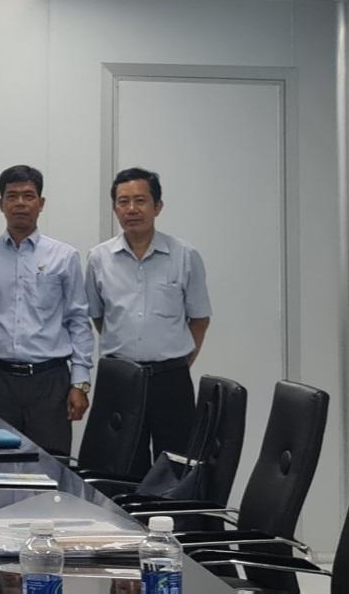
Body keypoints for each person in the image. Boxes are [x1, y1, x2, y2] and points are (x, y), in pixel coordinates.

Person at [86, 167, 212, 473]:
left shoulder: (185, 255)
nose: (131, 209)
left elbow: (199, 319)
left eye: (140, 201)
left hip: (170, 379)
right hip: (119, 380)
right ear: (115, 208)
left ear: (158, 206)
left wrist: (177, 360)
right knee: (119, 467)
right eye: (123, 202)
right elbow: (99, 316)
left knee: (175, 467)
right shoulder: (99, 258)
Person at [0, 165, 93, 456]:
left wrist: (80, 384)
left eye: (28, 196)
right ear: (1, 204)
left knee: (52, 466)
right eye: (12, 196)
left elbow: (78, 322)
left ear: (41, 203)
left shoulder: (64, 256)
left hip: (51, 382)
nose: (20, 203)